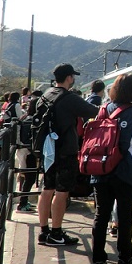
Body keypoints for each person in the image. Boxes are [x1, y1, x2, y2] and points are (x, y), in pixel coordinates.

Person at [91, 73, 132, 264]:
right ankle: (125, 258)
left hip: (100, 169)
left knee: (101, 214)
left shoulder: (103, 109)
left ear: (114, 90)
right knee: (125, 217)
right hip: (125, 171)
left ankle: (98, 259)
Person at [38, 63, 99, 246]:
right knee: (62, 192)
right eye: (73, 77)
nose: (73, 80)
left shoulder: (45, 95)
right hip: (65, 150)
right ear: (69, 78)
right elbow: (95, 112)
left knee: (47, 189)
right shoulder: (70, 98)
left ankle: (44, 231)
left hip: (48, 150)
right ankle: (56, 233)